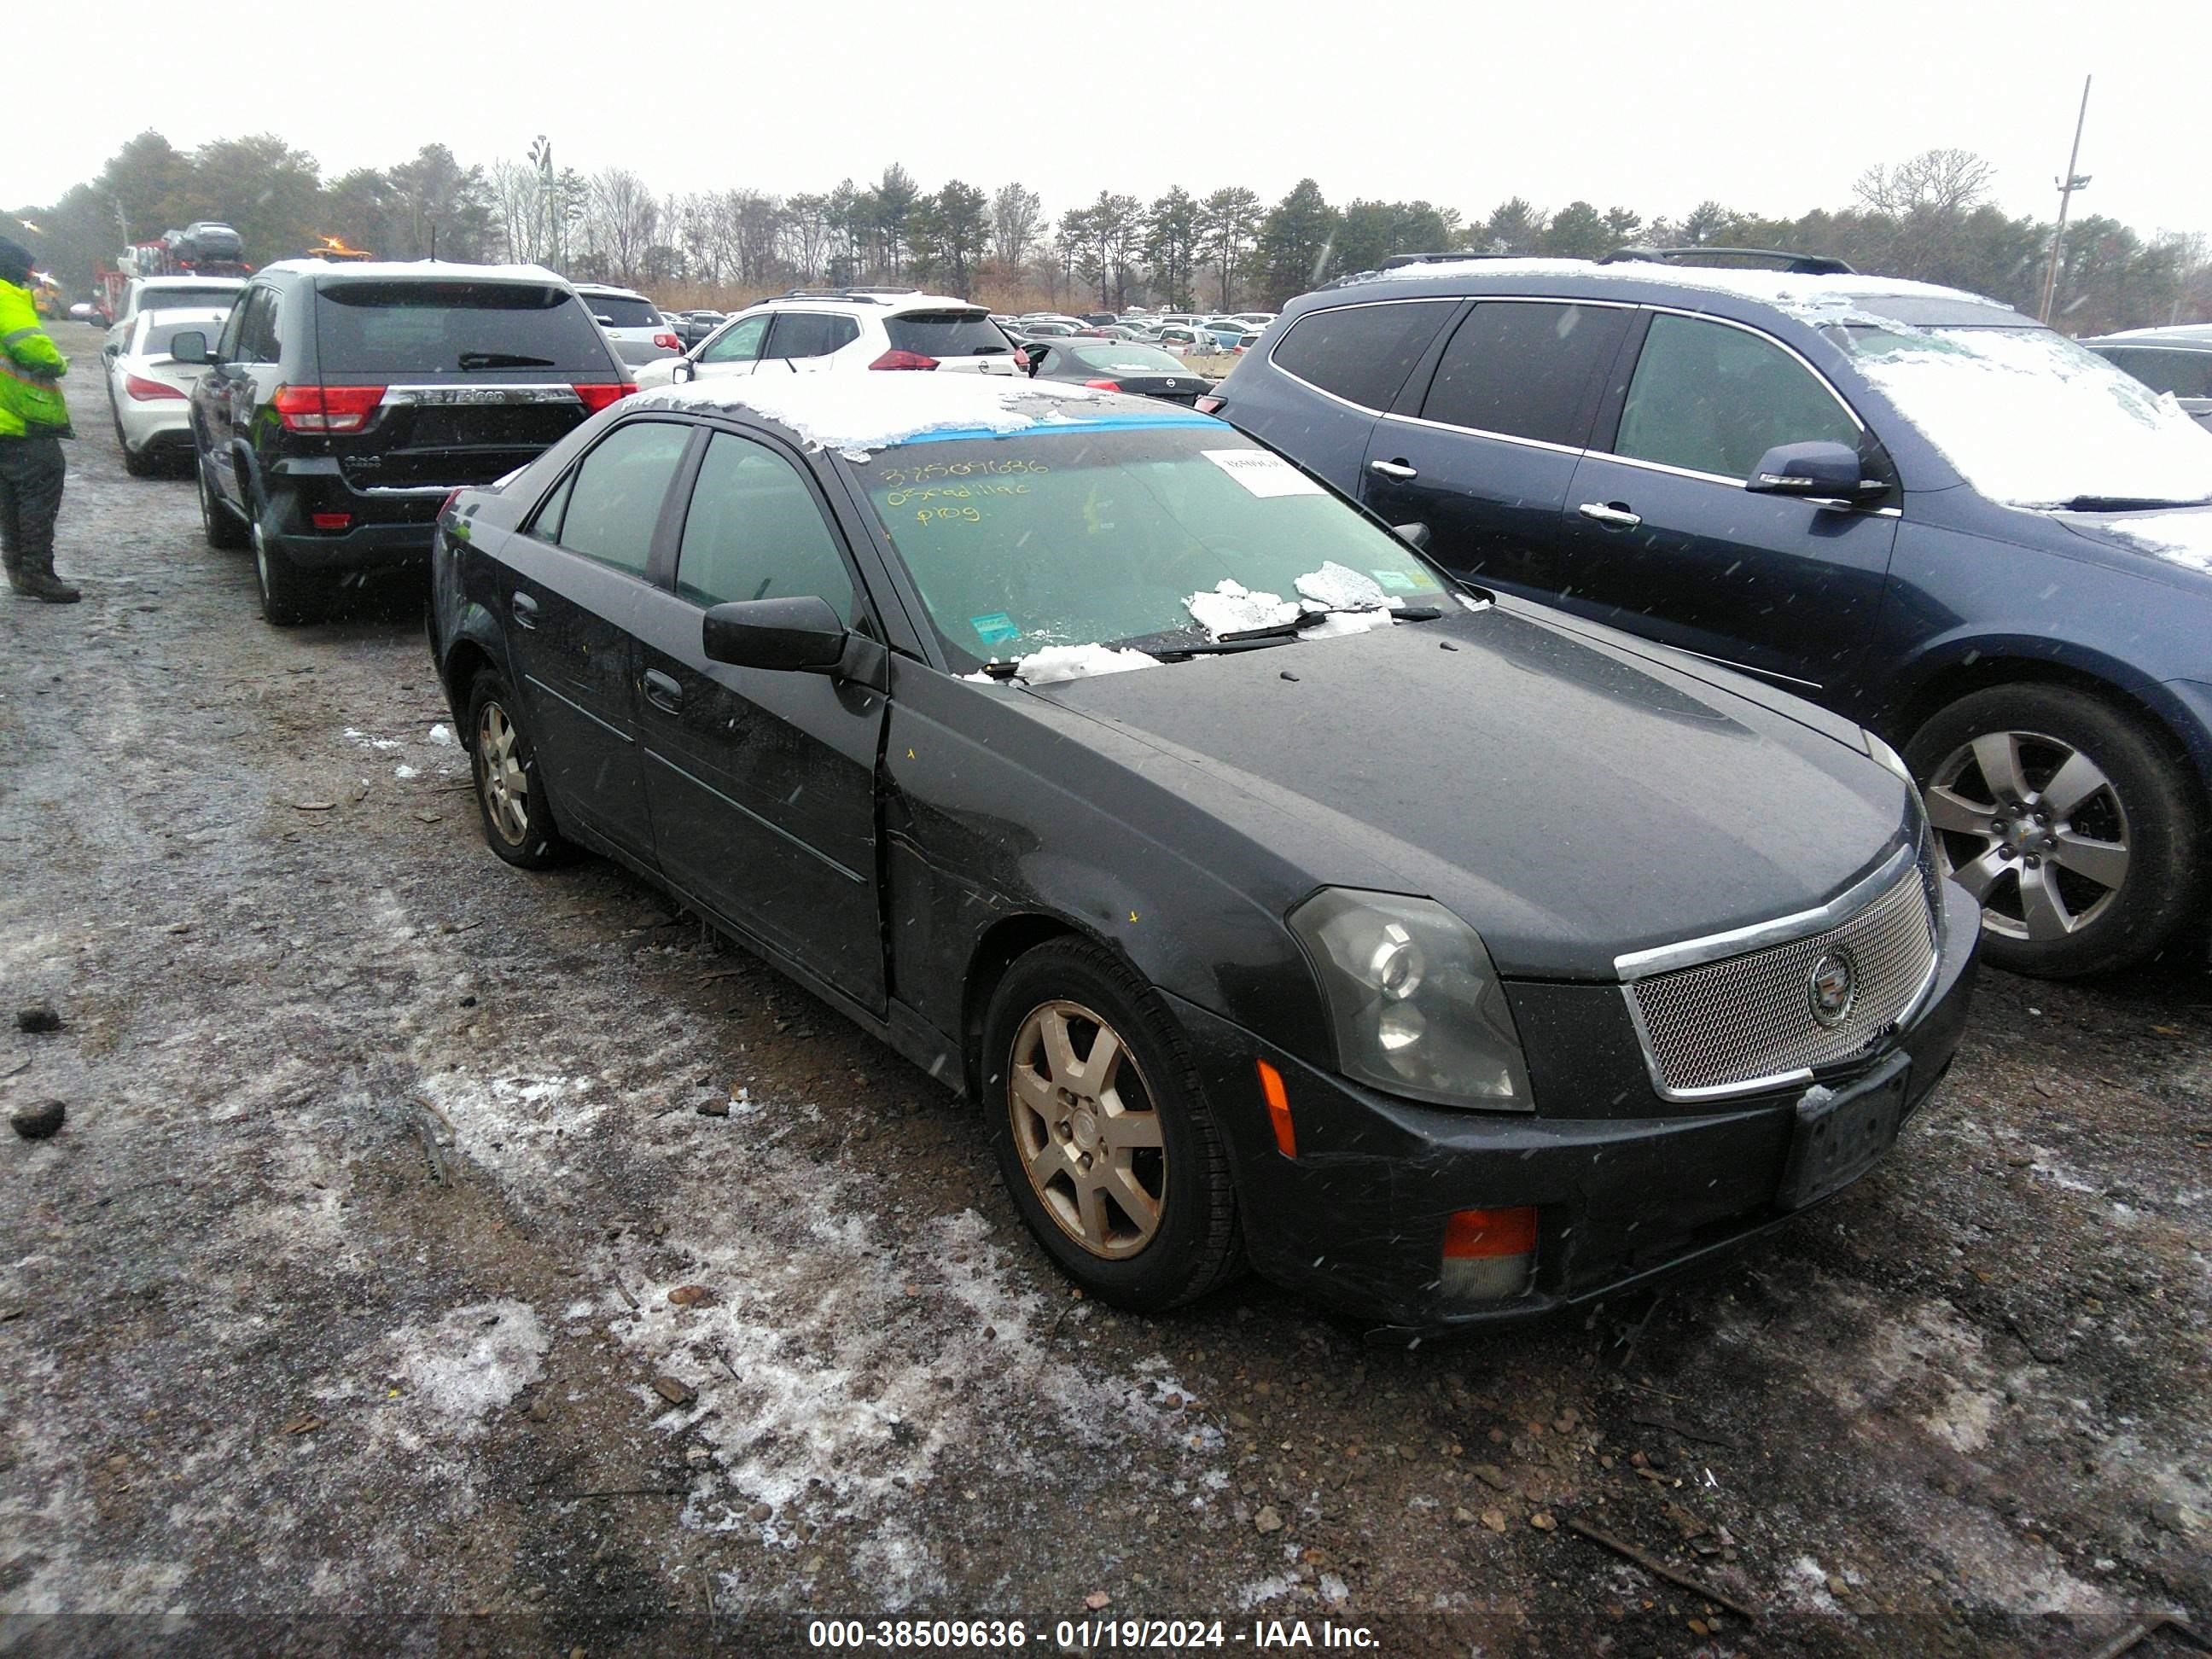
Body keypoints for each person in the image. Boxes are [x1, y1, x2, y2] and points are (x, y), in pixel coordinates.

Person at [0, 236, 79, 603]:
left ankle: (18, 571)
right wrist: (58, 364)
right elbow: (33, 347)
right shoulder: (5, 296)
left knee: (10, 500)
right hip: (19, 420)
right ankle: (38, 573)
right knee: (36, 496)